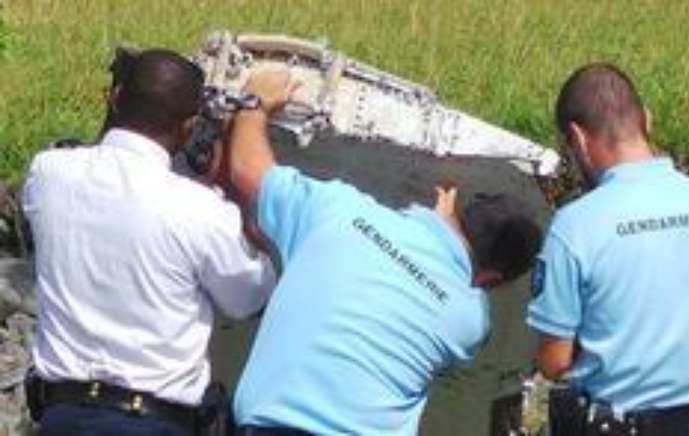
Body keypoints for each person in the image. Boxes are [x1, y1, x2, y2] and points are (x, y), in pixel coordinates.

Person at [219, 68, 542, 435]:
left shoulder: (337, 211)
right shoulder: (468, 320)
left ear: (453, 206)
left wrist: (253, 106)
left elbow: (246, 169)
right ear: (491, 278)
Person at [21, 49, 277, 436]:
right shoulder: (201, 211)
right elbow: (251, 298)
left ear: (115, 99)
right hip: (153, 423)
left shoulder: (48, 173)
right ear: (190, 127)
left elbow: (103, 184)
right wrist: (241, 208)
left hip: (62, 417)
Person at [527, 63, 689, 436]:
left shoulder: (574, 226)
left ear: (578, 138)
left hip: (612, 423)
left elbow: (554, 361)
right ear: (647, 120)